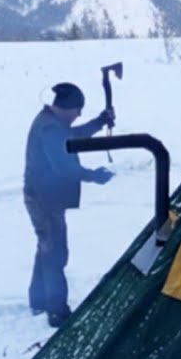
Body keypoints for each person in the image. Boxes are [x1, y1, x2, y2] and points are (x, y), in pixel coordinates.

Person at [24, 82, 115, 328]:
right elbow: (63, 167)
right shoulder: (50, 129)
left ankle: (39, 300)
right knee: (54, 252)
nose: (79, 115)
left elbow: (75, 135)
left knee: (47, 247)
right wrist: (92, 175)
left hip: (45, 197)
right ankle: (57, 312)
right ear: (65, 108)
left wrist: (99, 121)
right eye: (77, 110)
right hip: (44, 200)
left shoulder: (54, 123)